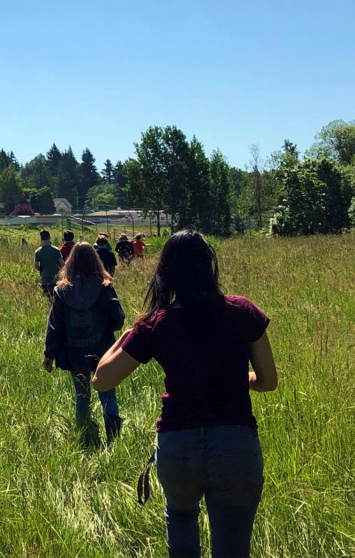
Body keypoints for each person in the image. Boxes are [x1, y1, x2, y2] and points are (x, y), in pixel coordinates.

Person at [93, 230, 278, 558]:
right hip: (235, 443)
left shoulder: (157, 323)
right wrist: (239, 378)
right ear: (209, 266)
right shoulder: (243, 310)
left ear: (166, 272)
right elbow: (267, 381)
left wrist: (137, 329)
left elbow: (102, 380)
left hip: (179, 446)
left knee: (180, 520)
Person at [43, 243, 124, 444]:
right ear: (95, 261)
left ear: (70, 263)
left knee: (82, 397)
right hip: (103, 350)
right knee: (107, 395)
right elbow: (118, 320)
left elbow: (55, 326)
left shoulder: (61, 291)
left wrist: (49, 355)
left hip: (75, 352)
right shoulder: (105, 287)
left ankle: (85, 439)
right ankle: (113, 440)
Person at [34, 230, 64, 302]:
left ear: (41, 239)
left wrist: (42, 270)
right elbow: (62, 264)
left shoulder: (37, 252)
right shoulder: (56, 250)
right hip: (56, 277)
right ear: (49, 238)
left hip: (45, 278)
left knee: (49, 298)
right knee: (58, 297)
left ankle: (51, 311)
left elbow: (36, 265)